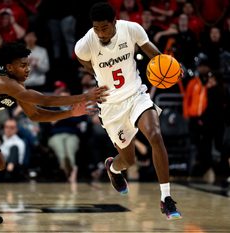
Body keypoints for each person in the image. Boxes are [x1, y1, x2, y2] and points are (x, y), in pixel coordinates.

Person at [0, 42, 108, 224]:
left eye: (28, 64)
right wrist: (85, 96)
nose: (28, 69)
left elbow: (35, 114)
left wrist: (70, 113)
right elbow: (43, 100)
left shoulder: (17, 86)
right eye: (23, 65)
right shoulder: (3, 83)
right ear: (9, 67)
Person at [74, 2, 182, 220]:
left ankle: (166, 198)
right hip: (112, 106)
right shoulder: (84, 45)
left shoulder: (131, 29)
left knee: (155, 135)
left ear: (114, 22)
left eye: (104, 28)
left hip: (136, 95)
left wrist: (171, 68)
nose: (100, 33)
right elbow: (89, 67)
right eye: (96, 29)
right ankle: (113, 168)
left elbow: (156, 55)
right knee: (128, 160)